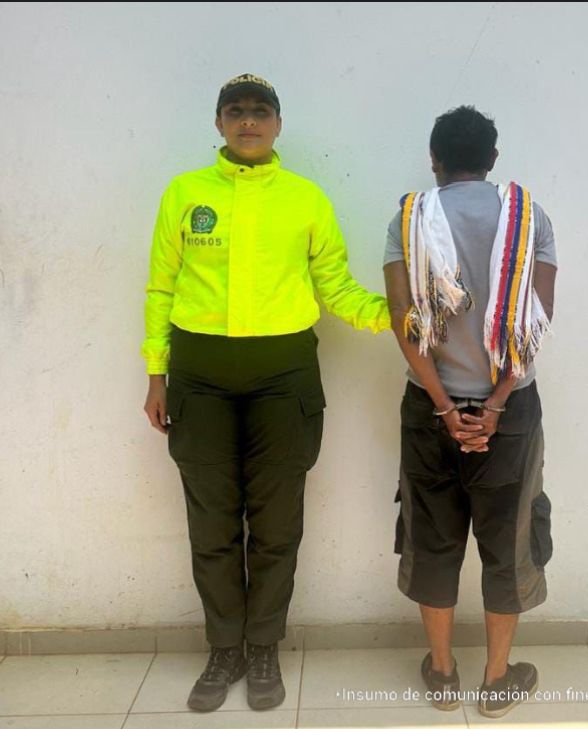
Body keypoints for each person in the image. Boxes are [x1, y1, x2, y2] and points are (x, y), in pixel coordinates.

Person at [142, 73, 390, 713]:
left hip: (284, 376)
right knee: (212, 523)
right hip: (199, 375)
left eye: (260, 111)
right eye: (236, 111)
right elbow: (161, 288)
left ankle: (262, 649)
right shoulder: (185, 194)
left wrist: (396, 315)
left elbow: (336, 286)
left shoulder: (305, 199)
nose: (248, 120)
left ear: (278, 125)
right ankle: (223, 648)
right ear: (218, 123)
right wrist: (156, 373)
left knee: (277, 524)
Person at [383, 105, 557, 719]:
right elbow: (537, 319)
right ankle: (497, 678)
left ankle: (441, 672)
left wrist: (443, 407)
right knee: (508, 538)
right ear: (492, 159)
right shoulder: (530, 216)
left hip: (429, 410)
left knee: (432, 536)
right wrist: (497, 404)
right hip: (509, 415)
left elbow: (403, 322)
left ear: (434, 160)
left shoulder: (408, 219)